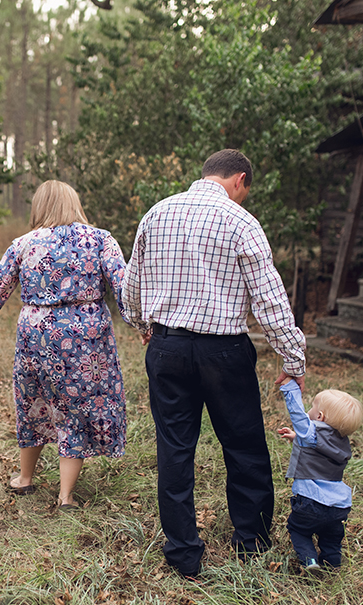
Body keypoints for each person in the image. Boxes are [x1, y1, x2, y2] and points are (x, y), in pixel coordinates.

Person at [121, 148, 307, 578]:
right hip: (223, 351)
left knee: (174, 448)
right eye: (245, 190)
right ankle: (252, 545)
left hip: (166, 347)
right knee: (244, 446)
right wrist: (292, 358)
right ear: (240, 180)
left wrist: (142, 325)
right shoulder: (241, 222)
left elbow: (133, 284)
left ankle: (184, 553)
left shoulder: (157, 213)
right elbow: (269, 299)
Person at [0, 180, 134, 510]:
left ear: (39, 207)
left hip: (37, 334)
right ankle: (65, 496)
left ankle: (25, 478)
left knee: (34, 403)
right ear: (74, 203)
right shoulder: (101, 239)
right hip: (84, 336)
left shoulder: (23, 244)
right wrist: (143, 323)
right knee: (76, 408)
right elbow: (124, 284)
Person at [277, 379, 362, 572]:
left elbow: (298, 416)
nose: (309, 411)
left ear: (320, 416)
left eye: (312, 408)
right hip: (338, 506)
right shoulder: (343, 442)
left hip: (310, 501)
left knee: (298, 529)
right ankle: (332, 564)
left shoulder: (313, 431)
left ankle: (310, 562)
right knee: (331, 537)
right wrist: (296, 438)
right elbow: (319, 448)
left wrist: (290, 388)